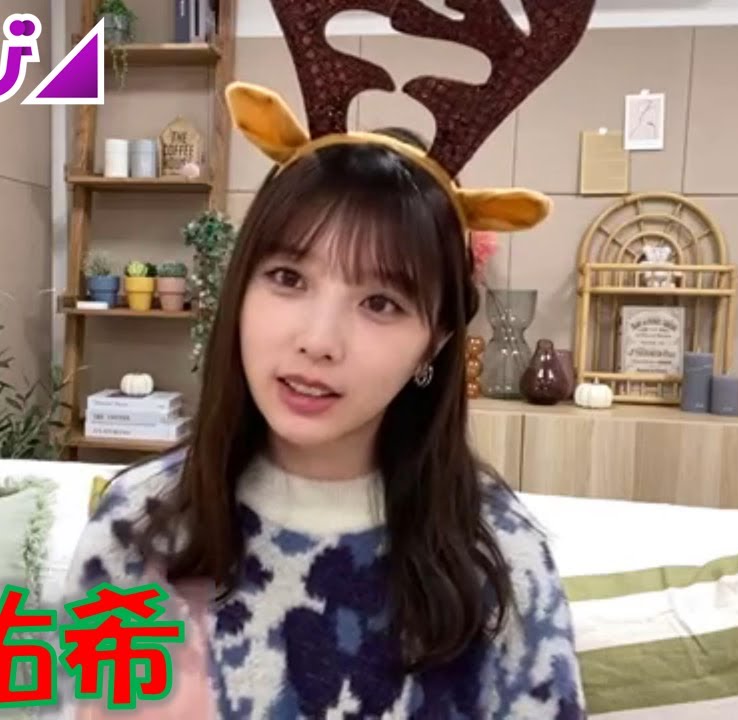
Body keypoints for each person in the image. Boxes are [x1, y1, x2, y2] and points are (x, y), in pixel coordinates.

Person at [59, 91, 586, 717]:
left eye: (380, 303)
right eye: (288, 278)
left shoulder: (496, 555)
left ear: (436, 341)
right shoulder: (139, 524)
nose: (318, 340)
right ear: (240, 289)